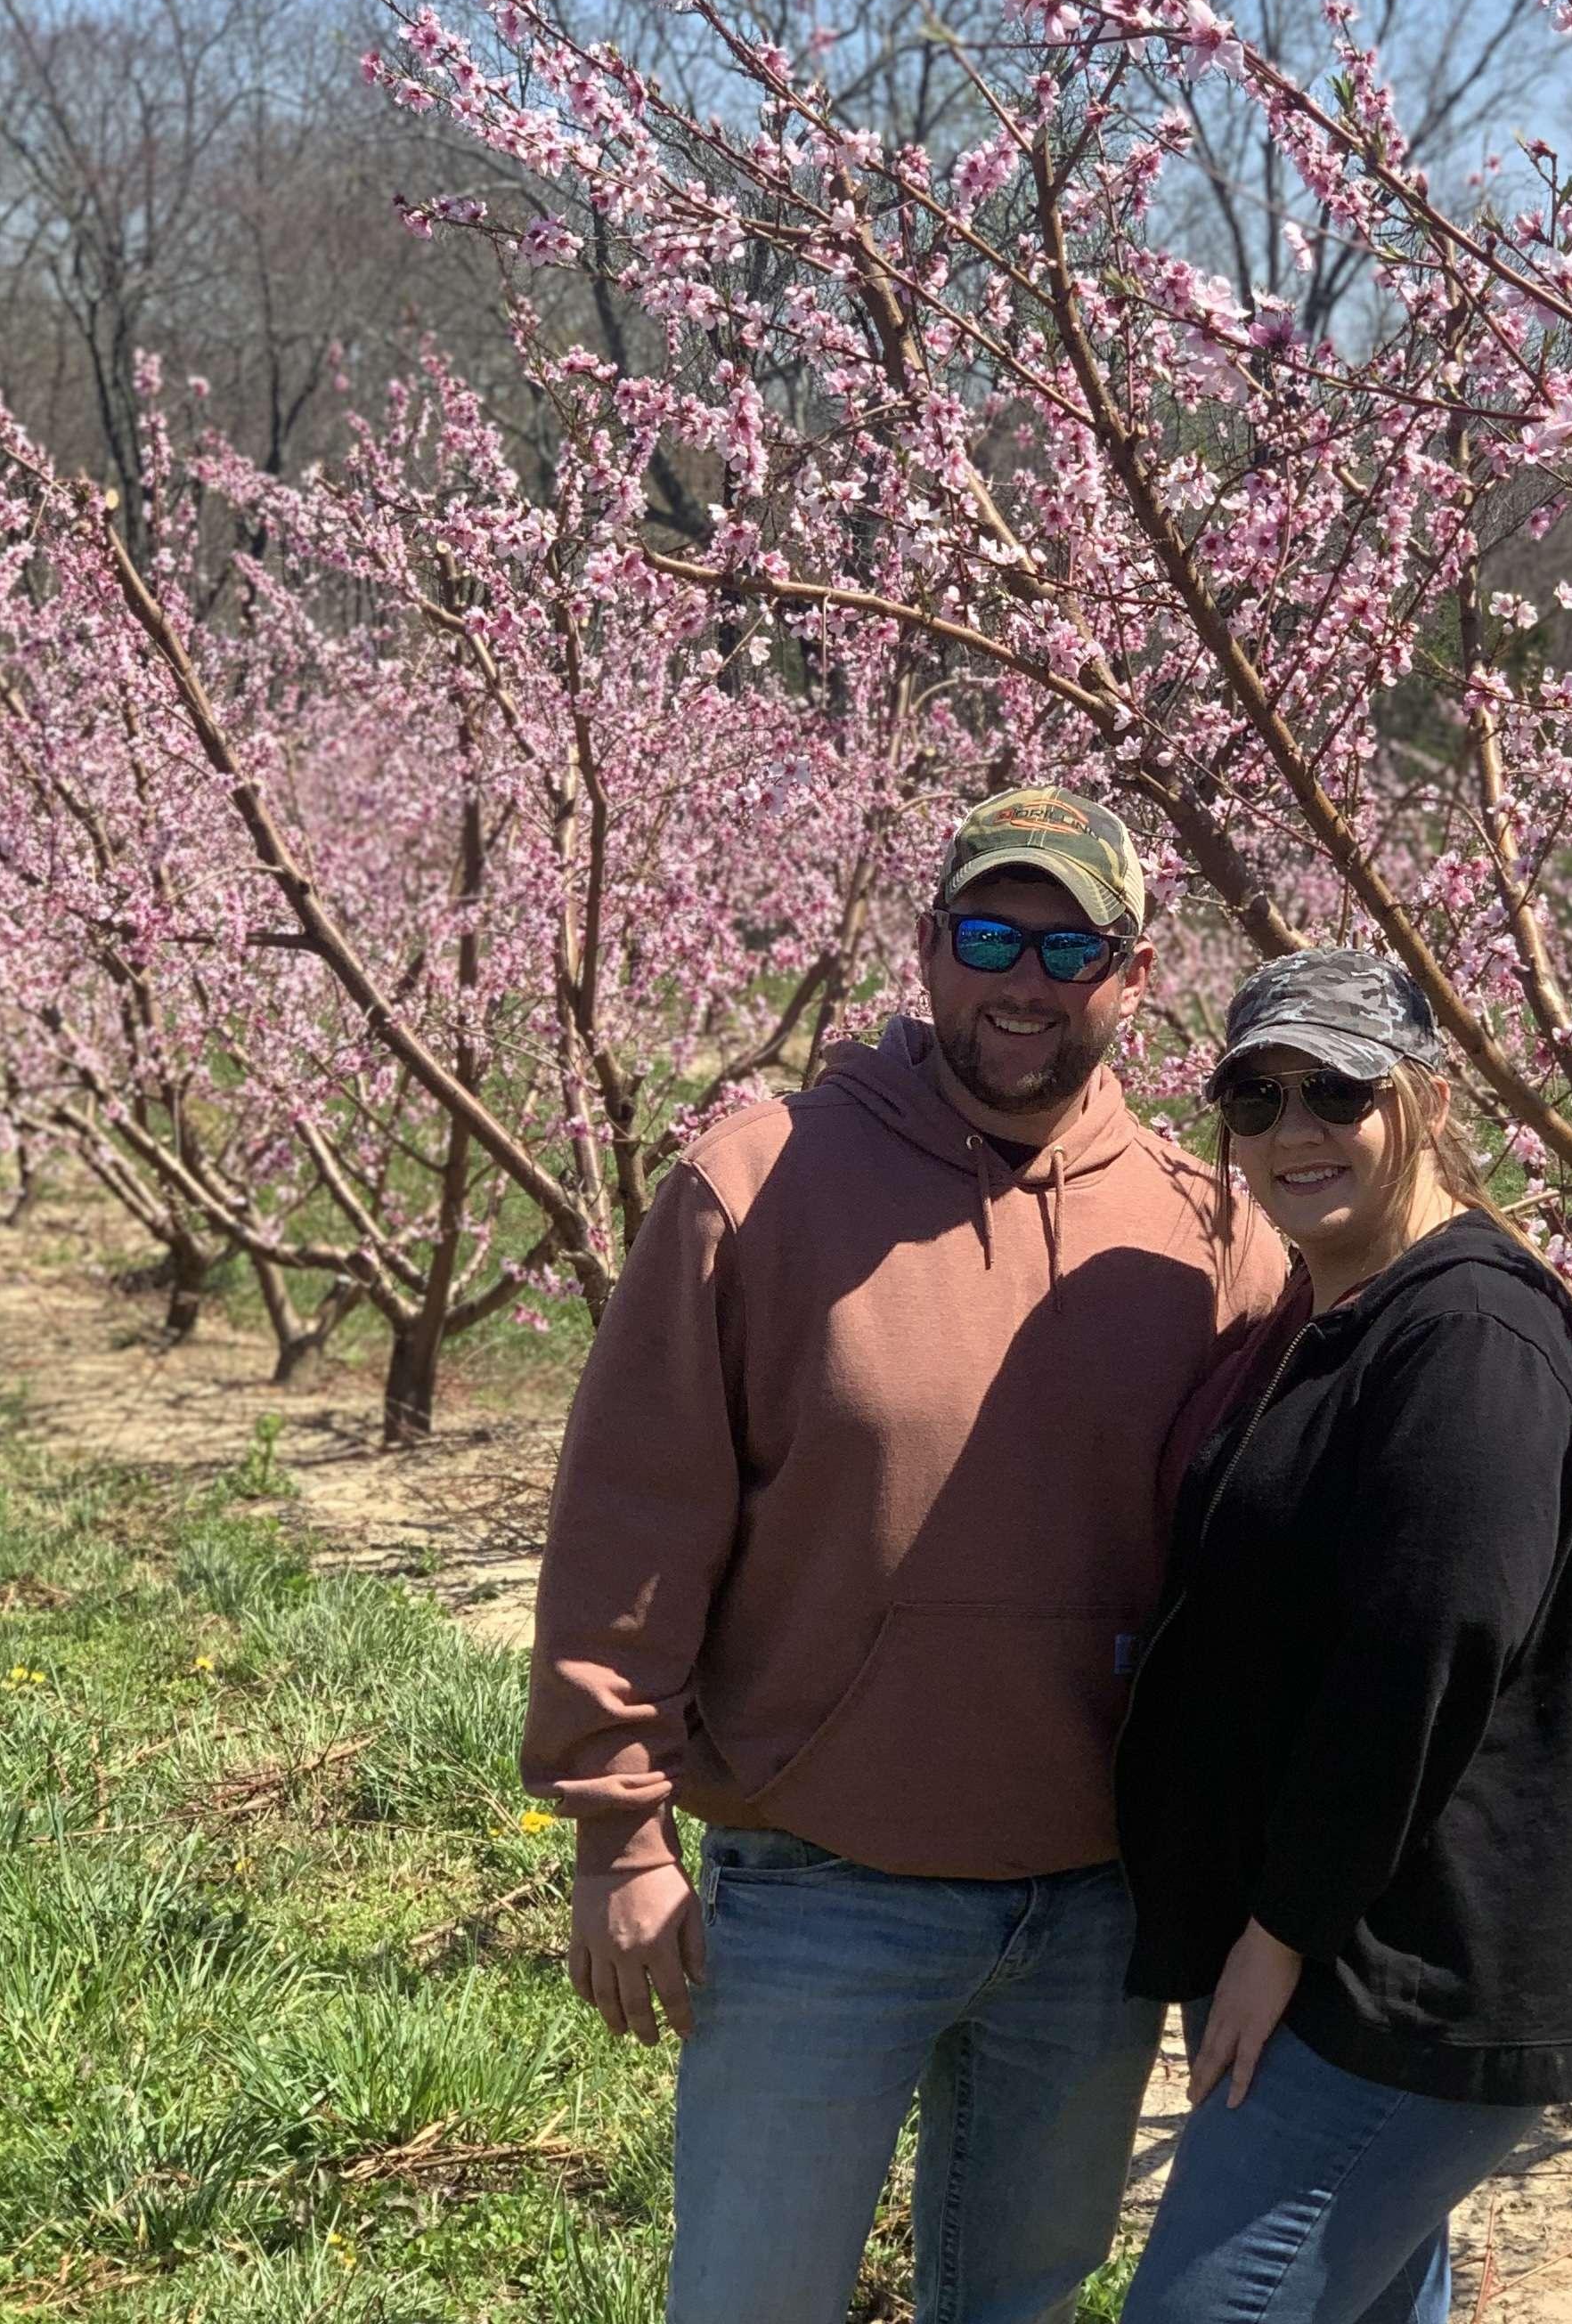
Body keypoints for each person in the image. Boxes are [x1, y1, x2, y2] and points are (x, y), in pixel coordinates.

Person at [520, 785, 1286, 2324]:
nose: (1026, 982)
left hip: (1091, 1906)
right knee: (753, 2301)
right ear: (928, 952)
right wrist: (617, 1830)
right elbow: (635, 1513)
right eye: (990, 936)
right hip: (820, 1890)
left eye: (1072, 948)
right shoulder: (758, 1186)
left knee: (1016, 2303)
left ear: (1136, 978)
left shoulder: (1207, 1225)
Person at [1113, 947, 1572, 2324]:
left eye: (1338, 1091)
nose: (1295, 1131)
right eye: (1255, 1097)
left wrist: (1276, 1933)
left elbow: (1421, 1659)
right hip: (1338, 1932)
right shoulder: (1338, 1311)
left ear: (1426, 1102)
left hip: (1397, 1965)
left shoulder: (1468, 1336)